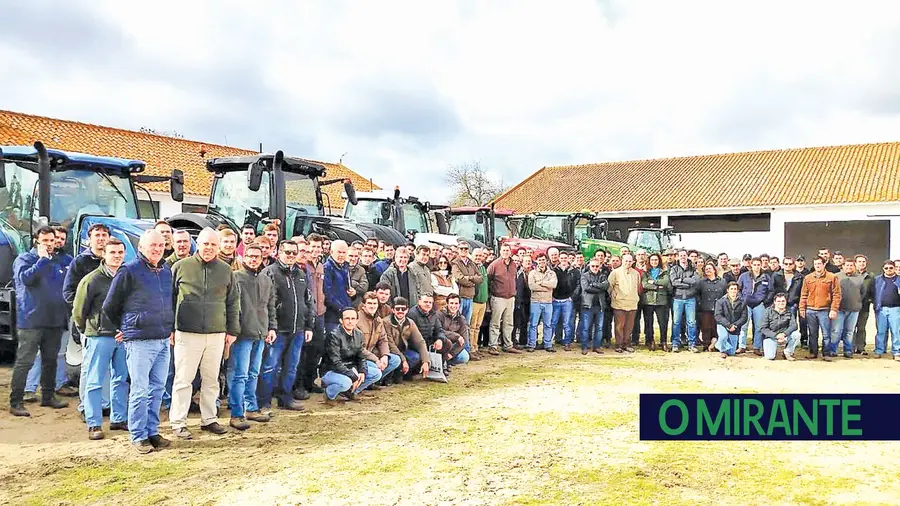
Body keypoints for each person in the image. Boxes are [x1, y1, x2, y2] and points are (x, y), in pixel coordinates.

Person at [102, 230, 174, 453]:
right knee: (140, 390)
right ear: (141, 247)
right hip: (140, 340)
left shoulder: (165, 271)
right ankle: (138, 435)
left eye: (161, 246)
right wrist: (124, 327)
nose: (157, 249)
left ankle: (152, 431)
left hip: (162, 338)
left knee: (158, 388)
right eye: (152, 245)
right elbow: (110, 306)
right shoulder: (129, 271)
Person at [169, 228, 240, 439]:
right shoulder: (180, 267)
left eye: (213, 245)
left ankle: (209, 419)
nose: (209, 248)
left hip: (217, 334)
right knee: (183, 380)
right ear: (197, 244)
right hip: (186, 332)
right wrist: (170, 329)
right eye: (205, 244)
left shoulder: (225, 270)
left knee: (211, 380)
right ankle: (178, 422)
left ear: (218, 247)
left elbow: (233, 301)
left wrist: (232, 330)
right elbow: (170, 300)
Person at [8, 226, 71, 417]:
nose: (50, 244)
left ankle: (48, 396)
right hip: (31, 320)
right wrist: (42, 260)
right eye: (45, 241)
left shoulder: (60, 260)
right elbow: (26, 279)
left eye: (52, 241)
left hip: (54, 319)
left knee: (50, 360)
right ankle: (16, 401)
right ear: (36, 241)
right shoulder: (25, 259)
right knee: (25, 361)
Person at [72, 238, 129, 440]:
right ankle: (94, 423)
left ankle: (119, 418)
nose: (117, 256)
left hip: (122, 337)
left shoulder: (126, 277)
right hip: (98, 336)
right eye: (112, 252)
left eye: (120, 252)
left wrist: (126, 329)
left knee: (120, 379)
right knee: (95, 382)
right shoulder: (91, 280)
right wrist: (87, 331)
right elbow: (79, 311)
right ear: (103, 254)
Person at [259, 240, 314, 411]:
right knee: (270, 366)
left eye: (293, 252)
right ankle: (263, 401)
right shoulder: (269, 273)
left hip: (297, 329)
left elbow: (308, 302)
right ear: (279, 253)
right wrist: (271, 327)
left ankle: (285, 398)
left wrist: (309, 326)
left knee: (291, 367)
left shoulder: (302, 274)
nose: (290, 256)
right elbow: (266, 304)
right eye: (287, 252)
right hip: (277, 330)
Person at [227, 244, 277, 430]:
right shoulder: (236, 277)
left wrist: (272, 327)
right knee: (240, 374)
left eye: (257, 256)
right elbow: (231, 306)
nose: (254, 259)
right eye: (250, 256)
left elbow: (270, 306)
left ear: (262, 258)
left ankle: (251, 408)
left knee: (254, 373)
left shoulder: (265, 279)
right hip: (242, 334)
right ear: (244, 257)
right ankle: (237, 413)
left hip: (261, 333)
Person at [321, 307, 379, 405]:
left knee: (376, 373)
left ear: (357, 320)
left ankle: (351, 392)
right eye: (347, 318)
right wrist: (353, 376)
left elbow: (361, 356)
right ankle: (329, 394)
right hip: (332, 370)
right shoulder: (333, 336)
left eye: (353, 319)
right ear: (341, 320)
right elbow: (335, 362)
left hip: (351, 367)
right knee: (346, 382)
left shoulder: (359, 334)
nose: (350, 321)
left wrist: (362, 371)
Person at [356, 292, 402, 389]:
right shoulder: (357, 319)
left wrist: (385, 356)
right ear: (364, 304)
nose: (372, 306)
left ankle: (371, 382)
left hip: (372, 354)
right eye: (369, 303)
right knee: (375, 368)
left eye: (374, 303)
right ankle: (356, 388)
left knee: (395, 360)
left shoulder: (378, 320)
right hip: (359, 357)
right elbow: (358, 348)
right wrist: (376, 360)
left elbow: (383, 340)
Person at [799, 256, 842, 360]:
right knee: (812, 334)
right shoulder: (808, 278)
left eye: (819, 264)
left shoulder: (832, 277)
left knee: (826, 334)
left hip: (824, 309)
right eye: (815, 264)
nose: (817, 266)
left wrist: (833, 309)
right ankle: (813, 353)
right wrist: (802, 308)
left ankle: (826, 353)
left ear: (824, 265)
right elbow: (804, 294)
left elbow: (837, 294)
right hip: (810, 309)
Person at [383, 297, 430, 382]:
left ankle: (400, 373)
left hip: (403, 351)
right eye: (397, 308)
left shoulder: (410, 322)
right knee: (396, 359)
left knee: (415, 357)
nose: (400, 311)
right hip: (390, 352)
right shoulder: (386, 322)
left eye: (403, 309)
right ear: (393, 310)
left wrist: (426, 361)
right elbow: (390, 345)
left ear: (407, 310)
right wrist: (403, 360)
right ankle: (389, 375)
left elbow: (420, 342)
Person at [486, 244, 521, 355]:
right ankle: (493, 346)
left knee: (508, 323)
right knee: (495, 323)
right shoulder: (494, 265)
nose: (505, 252)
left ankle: (508, 345)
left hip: (510, 298)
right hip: (498, 297)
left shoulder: (513, 265)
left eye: (507, 250)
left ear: (510, 252)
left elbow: (514, 279)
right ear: (500, 251)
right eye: (503, 250)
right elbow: (488, 280)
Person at [607, 253, 641, 353]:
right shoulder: (615, 273)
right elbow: (609, 287)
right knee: (619, 325)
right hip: (619, 303)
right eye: (626, 261)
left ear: (633, 262)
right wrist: (614, 296)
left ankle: (626, 344)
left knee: (629, 326)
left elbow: (638, 286)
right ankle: (618, 344)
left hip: (632, 303)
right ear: (622, 261)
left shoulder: (636, 273)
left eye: (630, 261)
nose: (628, 263)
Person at [832, 260, 864, 359]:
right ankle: (833, 350)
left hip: (853, 310)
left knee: (849, 331)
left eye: (851, 265)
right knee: (836, 331)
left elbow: (863, 292)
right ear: (843, 266)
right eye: (847, 265)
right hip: (839, 309)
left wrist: (857, 302)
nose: (849, 267)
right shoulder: (836, 276)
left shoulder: (860, 278)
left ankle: (848, 350)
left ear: (854, 267)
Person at [669, 250, 700, 353]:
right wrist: (687, 282)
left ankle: (692, 344)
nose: (683, 257)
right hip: (678, 298)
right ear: (678, 257)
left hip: (690, 298)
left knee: (691, 322)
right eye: (681, 255)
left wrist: (681, 280)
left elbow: (695, 281)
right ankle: (675, 343)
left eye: (684, 255)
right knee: (676, 322)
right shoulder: (674, 268)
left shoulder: (693, 268)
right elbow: (674, 282)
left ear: (687, 256)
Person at [527, 253, 557, 352]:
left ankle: (547, 344)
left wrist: (541, 283)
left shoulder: (551, 273)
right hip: (536, 302)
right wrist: (546, 288)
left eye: (543, 260)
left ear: (546, 261)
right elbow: (532, 286)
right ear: (537, 261)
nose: (542, 262)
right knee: (533, 324)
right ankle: (532, 344)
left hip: (548, 302)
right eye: (540, 260)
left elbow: (554, 284)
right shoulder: (532, 273)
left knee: (548, 324)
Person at [641, 253, 671, 351]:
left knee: (663, 323)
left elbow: (665, 282)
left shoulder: (664, 272)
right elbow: (644, 284)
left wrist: (653, 282)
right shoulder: (646, 272)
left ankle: (663, 342)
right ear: (649, 261)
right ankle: (651, 341)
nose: (654, 262)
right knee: (649, 322)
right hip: (648, 300)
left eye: (656, 260)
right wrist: (658, 287)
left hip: (661, 301)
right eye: (652, 260)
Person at [579, 257, 609, 355]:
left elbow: (605, 286)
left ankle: (597, 346)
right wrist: (599, 287)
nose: (595, 268)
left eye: (597, 266)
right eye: (593, 266)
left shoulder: (603, 276)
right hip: (588, 305)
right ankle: (584, 346)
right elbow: (586, 288)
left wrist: (593, 284)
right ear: (589, 266)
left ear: (600, 266)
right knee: (586, 327)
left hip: (600, 306)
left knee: (599, 328)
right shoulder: (584, 275)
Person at [760, 293, 800, 361]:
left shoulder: (789, 312)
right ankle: (772, 349)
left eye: (783, 301)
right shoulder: (768, 312)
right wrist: (776, 336)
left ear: (786, 302)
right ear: (774, 302)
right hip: (771, 337)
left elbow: (794, 325)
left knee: (797, 335)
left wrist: (784, 334)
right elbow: (763, 328)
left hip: (785, 336)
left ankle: (787, 352)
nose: (781, 303)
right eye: (778, 301)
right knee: (770, 357)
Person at [873, 260, 900, 359]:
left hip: (896, 309)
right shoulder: (877, 279)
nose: (888, 270)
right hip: (881, 309)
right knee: (880, 331)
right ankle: (879, 350)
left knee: (896, 331)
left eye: (891, 268)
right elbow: (873, 292)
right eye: (886, 268)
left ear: (894, 268)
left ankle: (896, 352)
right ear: (883, 269)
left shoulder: (898, 280)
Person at [697, 263, 727, 352]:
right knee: (706, 327)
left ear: (714, 270)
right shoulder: (701, 282)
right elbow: (697, 294)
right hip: (705, 308)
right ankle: (706, 345)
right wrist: (700, 303)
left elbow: (725, 294)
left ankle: (717, 345)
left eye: (710, 268)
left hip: (719, 308)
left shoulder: (722, 282)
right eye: (706, 269)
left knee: (716, 327)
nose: (708, 270)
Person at [714, 282, 747, 358]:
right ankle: (722, 351)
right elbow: (718, 315)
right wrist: (728, 325)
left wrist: (735, 325)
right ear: (727, 290)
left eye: (735, 289)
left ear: (737, 290)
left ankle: (716, 344)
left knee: (732, 352)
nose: (733, 291)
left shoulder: (742, 302)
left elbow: (744, 317)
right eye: (731, 289)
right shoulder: (720, 301)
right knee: (723, 336)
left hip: (735, 327)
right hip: (722, 324)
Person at [438, 294, 471, 364]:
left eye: (456, 303)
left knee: (464, 357)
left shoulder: (462, 319)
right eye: (451, 303)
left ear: (459, 305)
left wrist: (452, 354)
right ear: (447, 303)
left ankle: (447, 362)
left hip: (454, 345)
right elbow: (438, 331)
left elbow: (464, 339)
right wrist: (456, 336)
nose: (453, 306)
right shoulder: (439, 315)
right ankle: (442, 362)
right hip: (442, 343)